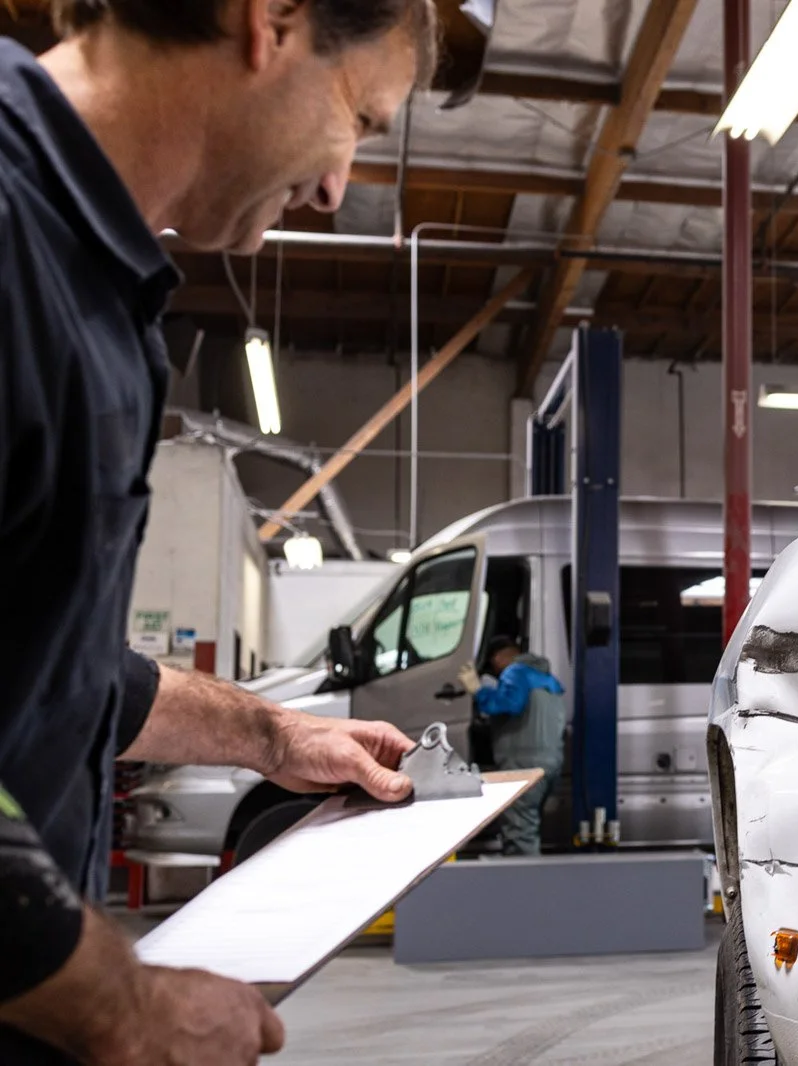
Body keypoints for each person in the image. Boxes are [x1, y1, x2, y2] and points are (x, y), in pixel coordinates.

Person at [0, 1, 437, 1063]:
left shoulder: (89, 278)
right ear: (270, 20)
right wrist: (121, 1006)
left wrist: (270, 737)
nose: (336, 185)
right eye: (359, 117)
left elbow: (53, 672)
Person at [458, 637, 566, 855]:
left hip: (524, 764)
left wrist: (479, 691)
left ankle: (526, 884)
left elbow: (509, 704)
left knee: (520, 835)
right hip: (551, 763)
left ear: (498, 657)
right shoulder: (548, 679)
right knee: (528, 827)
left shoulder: (515, 672)